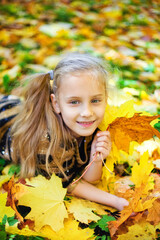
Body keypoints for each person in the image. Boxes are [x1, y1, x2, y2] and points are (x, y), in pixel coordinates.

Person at [0, 53, 128, 211]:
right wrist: (116, 201)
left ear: (106, 99)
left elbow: (89, 179)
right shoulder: (47, 139)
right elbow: (68, 183)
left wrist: (96, 159)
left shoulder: (93, 126)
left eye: (95, 100)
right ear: (56, 103)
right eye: (74, 102)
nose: (87, 112)